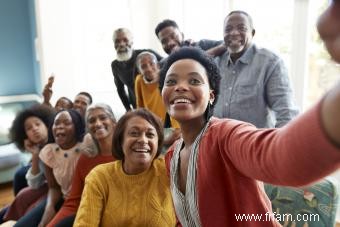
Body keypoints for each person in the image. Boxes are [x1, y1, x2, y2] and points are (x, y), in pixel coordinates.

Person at [160, 46, 340, 226]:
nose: (181, 87)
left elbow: (279, 157)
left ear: (211, 96)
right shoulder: (172, 156)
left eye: (194, 80)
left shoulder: (227, 136)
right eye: (171, 82)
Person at [74, 109, 176, 226]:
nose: (143, 140)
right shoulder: (99, 177)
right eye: (134, 133)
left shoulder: (170, 169)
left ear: (158, 142)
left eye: (150, 134)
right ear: (120, 139)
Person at [214, 10, 299, 128]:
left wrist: (276, 145)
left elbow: (287, 113)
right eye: (228, 29)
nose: (233, 33)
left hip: (254, 144)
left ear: (252, 33)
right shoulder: (216, 62)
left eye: (241, 28)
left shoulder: (270, 62)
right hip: (218, 143)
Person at [47, 103, 117, 227]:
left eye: (103, 118)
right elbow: (74, 201)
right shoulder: (86, 158)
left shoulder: (127, 154)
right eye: (92, 120)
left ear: (113, 122)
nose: (98, 123)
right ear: (88, 128)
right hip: (89, 215)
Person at [13, 109, 85, 227]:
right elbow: (52, 187)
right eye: (57, 123)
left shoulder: (86, 148)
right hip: (59, 195)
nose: (35, 129)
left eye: (37, 124)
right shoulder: (48, 152)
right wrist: (49, 208)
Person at [0, 105, 55, 223]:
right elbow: (35, 184)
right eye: (29, 128)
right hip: (45, 188)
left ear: (46, 125)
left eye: (37, 124)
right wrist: (35, 155)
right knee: (6, 210)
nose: (34, 129)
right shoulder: (39, 149)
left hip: (55, 193)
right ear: (25, 135)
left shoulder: (57, 144)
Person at [134, 51, 181, 149]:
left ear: (158, 65)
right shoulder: (139, 80)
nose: (149, 68)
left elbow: (175, 103)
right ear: (139, 71)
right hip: (152, 124)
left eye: (151, 63)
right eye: (143, 66)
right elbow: (140, 106)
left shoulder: (167, 79)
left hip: (171, 123)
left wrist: (177, 129)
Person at [111, 28, 163, 112]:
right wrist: (128, 109)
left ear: (131, 41)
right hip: (138, 107)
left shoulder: (147, 54)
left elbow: (167, 64)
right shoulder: (115, 65)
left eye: (125, 40)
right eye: (117, 41)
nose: (121, 44)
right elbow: (120, 90)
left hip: (158, 102)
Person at [155, 19, 225, 56]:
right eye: (164, 41)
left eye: (173, 36)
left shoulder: (201, 45)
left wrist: (199, 56)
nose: (170, 43)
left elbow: (226, 43)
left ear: (182, 35)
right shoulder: (166, 63)